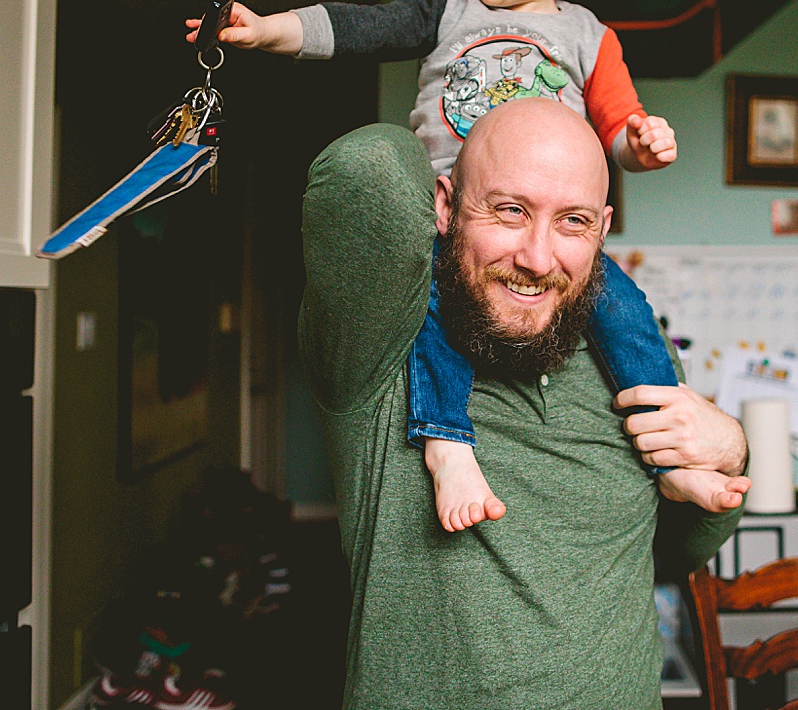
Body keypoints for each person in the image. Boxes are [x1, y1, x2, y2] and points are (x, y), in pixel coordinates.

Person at [187, 0, 748, 531]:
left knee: (629, 315)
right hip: (454, 218)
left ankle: (672, 460)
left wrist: (638, 147)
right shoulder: (446, 10)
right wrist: (269, 29)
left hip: (536, 204)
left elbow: (615, 124)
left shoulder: (586, 35)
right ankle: (447, 443)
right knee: (432, 313)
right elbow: (362, 27)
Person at [300, 98, 749, 709]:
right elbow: (367, 169)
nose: (538, 259)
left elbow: (673, 552)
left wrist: (731, 451)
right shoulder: (379, 348)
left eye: (573, 222)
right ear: (444, 204)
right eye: (510, 210)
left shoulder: (636, 362)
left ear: (604, 229)